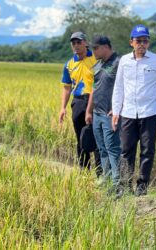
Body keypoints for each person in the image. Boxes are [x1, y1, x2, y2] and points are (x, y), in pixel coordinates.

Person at [112, 24, 156, 197]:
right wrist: (116, 111)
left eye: (145, 41)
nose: (142, 44)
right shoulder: (124, 61)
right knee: (126, 150)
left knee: (147, 150)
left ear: (149, 42)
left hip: (149, 112)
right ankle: (124, 185)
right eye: (138, 41)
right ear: (131, 42)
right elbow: (119, 87)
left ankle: (142, 187)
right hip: (128, 113)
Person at [59, 31, 101, 174]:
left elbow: (102, 82)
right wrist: (63, 108)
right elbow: (66, 88)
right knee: (81, 138)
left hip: (95, 101)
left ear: (86, 43)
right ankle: (84, 172)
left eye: (79, 42)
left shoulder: (96, 60)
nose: (76, 46)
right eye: (74, 43)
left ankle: (100, 173)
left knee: (97, 137)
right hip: (77, 102)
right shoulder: (69, 65)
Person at [85, 35, 121, 193]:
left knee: (112, 148)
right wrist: (88, 110)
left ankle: (117, 182)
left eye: (95, 48)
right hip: (97, 113)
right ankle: (106, 178)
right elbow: (94, 88)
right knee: (102, 148)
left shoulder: (119, 63)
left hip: (109, 114)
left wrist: (118, 107)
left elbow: (125, 87)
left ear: (106, 46)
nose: (93, 52)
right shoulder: (99, 64)